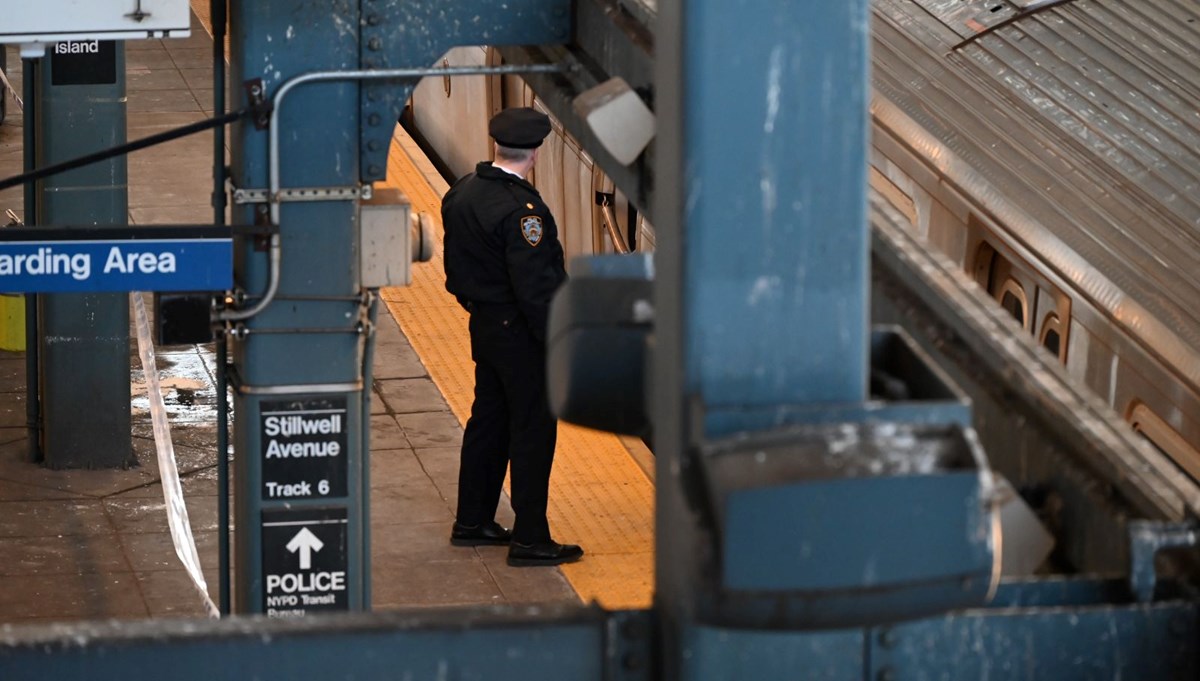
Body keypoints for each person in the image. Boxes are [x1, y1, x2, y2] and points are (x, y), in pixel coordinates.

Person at [441, 107, 583, 567]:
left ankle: (473, 519)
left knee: (489, 420)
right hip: (521, 335)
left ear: (497, 146)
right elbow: (537, 291)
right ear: (535, 153)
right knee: (532, 430)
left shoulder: (462, 192)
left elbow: (456, 272)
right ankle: (530, 537)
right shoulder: (524, 213)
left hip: (485, 325)